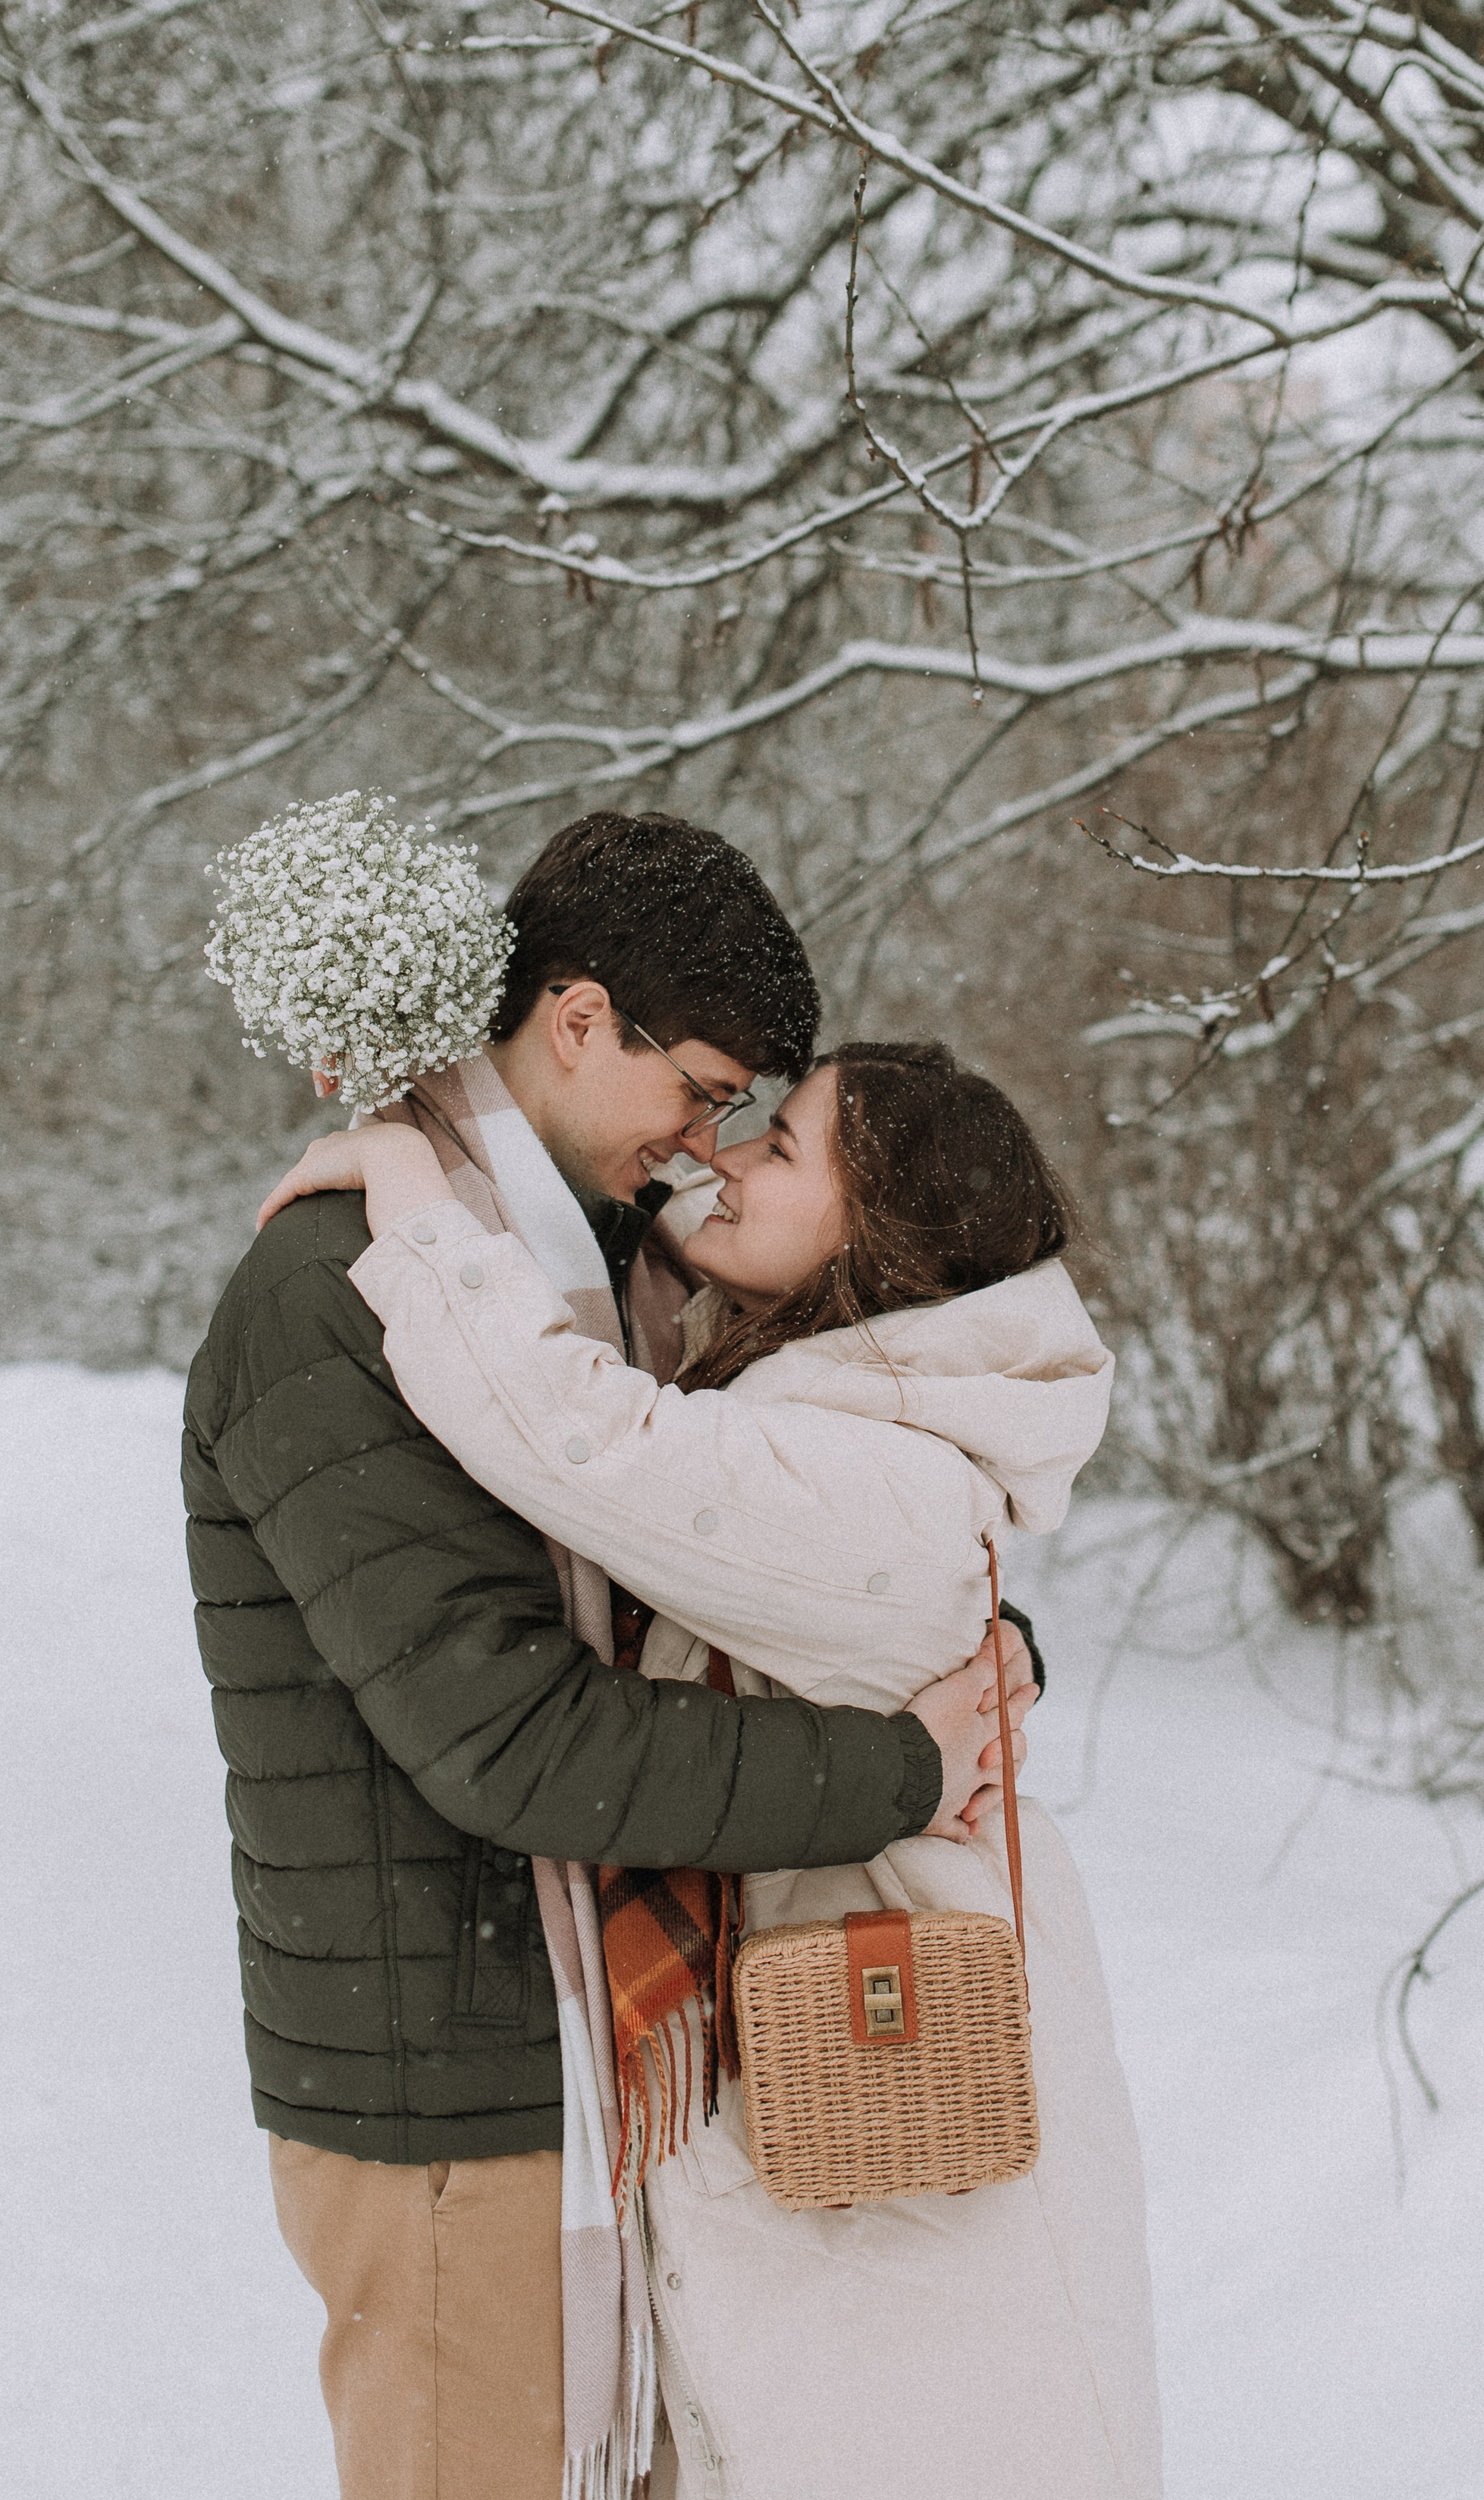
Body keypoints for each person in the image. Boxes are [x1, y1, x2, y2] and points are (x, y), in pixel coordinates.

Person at [184, 814, 1041, 2500]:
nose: (704, 1147)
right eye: (704, 1088)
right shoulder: (337, 1298)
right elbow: (520, 1745)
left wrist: (969, 1636)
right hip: (452, 2092)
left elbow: (774, 1523)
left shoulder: (566, 1282)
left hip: (599, 2063)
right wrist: (908, 1770)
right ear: (579, 1024)